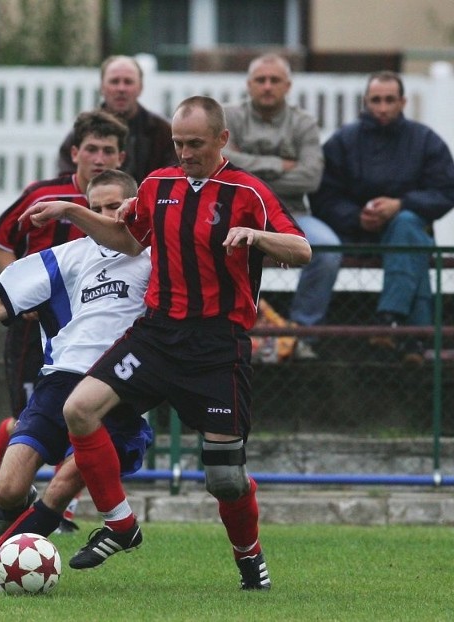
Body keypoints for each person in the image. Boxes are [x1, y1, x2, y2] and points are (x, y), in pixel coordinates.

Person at [25, 96, 311, 590]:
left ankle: (250, 556)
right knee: (80, 410)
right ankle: (120, 524)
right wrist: (73, 209)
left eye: (195, 144)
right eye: (178, 143)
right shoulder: (158, 185)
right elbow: (127, 241)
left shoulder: (249, 193)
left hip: (217, 346)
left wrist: (255, 236)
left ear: (223, 139)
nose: (184, 152)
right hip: (157, 336)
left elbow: (302, 248)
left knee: (224, 479)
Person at [0, 169, 153, 592]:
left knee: (61, 486)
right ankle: (16, 517)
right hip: (59, 381)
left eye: (113, 206)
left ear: (134, 205)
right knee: (7, 489)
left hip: (115, 387)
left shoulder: (155, 255)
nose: (103, 215)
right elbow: (7, 299)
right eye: (95, 208)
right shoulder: (70, 255)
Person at [0, 109, 128, 527]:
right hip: (37, 330)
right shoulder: (43, 194)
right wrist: (18, 293)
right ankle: (1, 480)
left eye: (108, 151)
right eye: (92, 150)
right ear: (74, 153)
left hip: (94, 342)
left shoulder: (128, 207)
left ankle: (60, 508)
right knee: (30, 418)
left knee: (85, 421)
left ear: (121, 157)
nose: (99, 159)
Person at [309, 70, 454, 365]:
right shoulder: (343, 141)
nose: (383, 107)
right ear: (365, 101)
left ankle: (391, 318)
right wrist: (358, 217)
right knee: (411, 235)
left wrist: (400, 205)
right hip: (359, 235)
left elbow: (446, 190)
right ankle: (410, 334)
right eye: (376, 100)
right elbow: (323, 197)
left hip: (408, 232)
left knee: (406, 225)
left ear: (403, 102)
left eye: (390, 100)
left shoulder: (425, 141)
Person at [223, 53, 341, 361]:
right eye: (260, 80)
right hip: (236, 213)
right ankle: (225, 330)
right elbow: (221, 164)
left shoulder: (304, 123)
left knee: (327, 249)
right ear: (249, 84)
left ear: (287, 85)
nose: (267, 86)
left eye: (274, 80)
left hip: (293, 215)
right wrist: (280, 165)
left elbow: (310, 178)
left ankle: (300, 334)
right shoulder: (229, 117)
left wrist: (247, 170)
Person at [57, 55, 177, 184]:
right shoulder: (82, 130)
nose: (121, 89)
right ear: (102, 87)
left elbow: (174, 179)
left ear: (140, 87)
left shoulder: (163, 132)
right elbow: (67, 179)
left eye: (128, 82)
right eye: (114, 81)